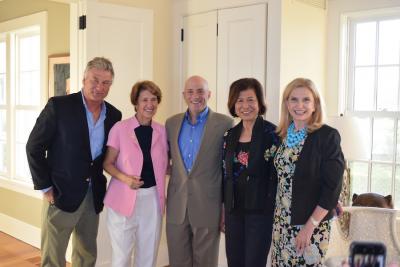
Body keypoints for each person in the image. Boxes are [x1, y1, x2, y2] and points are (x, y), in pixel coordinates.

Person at [26, 57, 122, 267]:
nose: (99, 87)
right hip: (60, 193)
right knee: (53, 257)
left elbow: (110, 154)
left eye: (105, 83)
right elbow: (34, 147)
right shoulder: (59, 106)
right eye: (94, 80)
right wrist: (46, 187)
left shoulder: (114, 115)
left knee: (87, 254)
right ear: (84, 79)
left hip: (92, 195)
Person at [272, 77, 344, 266]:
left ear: (315, 105)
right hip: (281, 222)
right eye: (293, 99)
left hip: (310, 225)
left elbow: (332, 186)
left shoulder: (327, 136)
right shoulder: (283, 136)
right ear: (286, 103)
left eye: (306, 100)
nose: (299, 105)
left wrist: (310, 226)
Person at [165, 75, 233, 267]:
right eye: (191, 91)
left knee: (206, 262)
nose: (196, 96)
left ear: (209, 94)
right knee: (178, 261)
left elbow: (228, 170)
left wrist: (225, 208)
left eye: (200, 91)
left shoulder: (225, 124)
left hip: (208, 206)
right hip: (177, 205)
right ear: (184, 95)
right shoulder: (171, 123)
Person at [103, 80, 168, 267]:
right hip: (123, 199)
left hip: (152, 200)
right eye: (145, 100)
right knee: (121, 257)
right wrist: (125, 179)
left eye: (154, 99)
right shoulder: (120, 128)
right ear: (136, 103)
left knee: (148, 257)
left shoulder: (162, 131)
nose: (150, 104)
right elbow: (107, 163)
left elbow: (165, 164)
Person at [222, 78, 279, 267]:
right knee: (235, 261)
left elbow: (281, 174)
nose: (245, 105)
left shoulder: (273, 134)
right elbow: (225, 174)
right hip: (233, 211)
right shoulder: (229, 135)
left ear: (259, 102)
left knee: (254, 262)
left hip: (260, 211)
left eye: (250, 100)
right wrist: (223, 209)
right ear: (233, 104)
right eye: (239, 100)